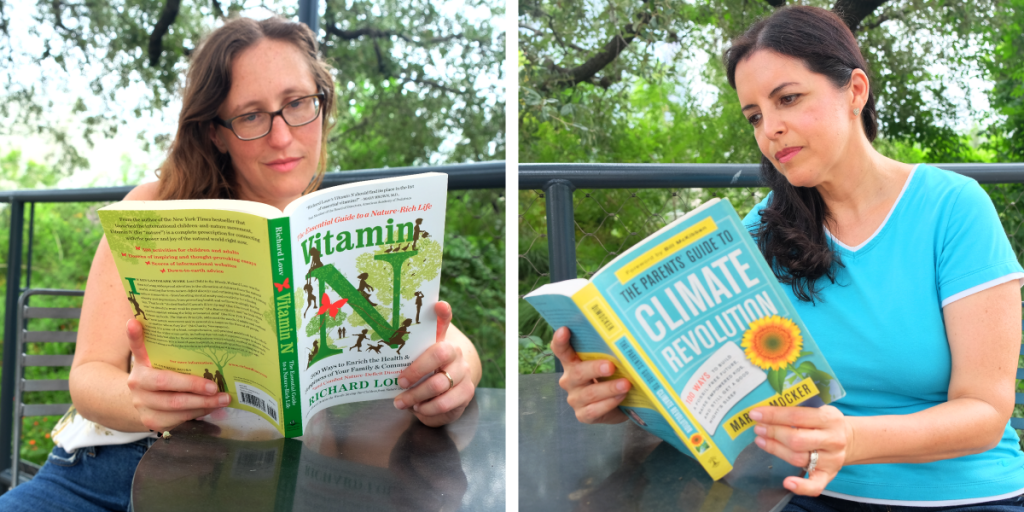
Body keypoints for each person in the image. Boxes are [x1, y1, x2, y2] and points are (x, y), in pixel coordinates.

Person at [0, 16, 481, 512]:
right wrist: (139, 402)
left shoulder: (338, 225)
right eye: (251, 116)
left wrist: (455, 368)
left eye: (297, 103)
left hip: (262, 486)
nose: (281, 136)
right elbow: (89, 376)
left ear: (322, 103)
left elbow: (441, 333)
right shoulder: (156, 205)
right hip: (105, 474)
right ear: (216, 133)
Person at [551, 6, 1024, 509]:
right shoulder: (761, 228)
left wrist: (853, 440)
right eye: (754, 116)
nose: (769, 129)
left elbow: (984, 412)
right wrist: (623, 398)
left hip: (964, 495)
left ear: (855, 92)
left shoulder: (952, 207)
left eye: (789, 99)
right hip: (799, 493)